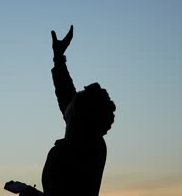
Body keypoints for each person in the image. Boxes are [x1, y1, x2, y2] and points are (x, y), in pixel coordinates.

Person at [20, 25, 116, 196]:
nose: (72, 98)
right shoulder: (89, 138)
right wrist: (58, 57)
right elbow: (66, 93)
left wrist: (30, 194)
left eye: (78, 97)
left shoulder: (70, 154)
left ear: (79, 114)